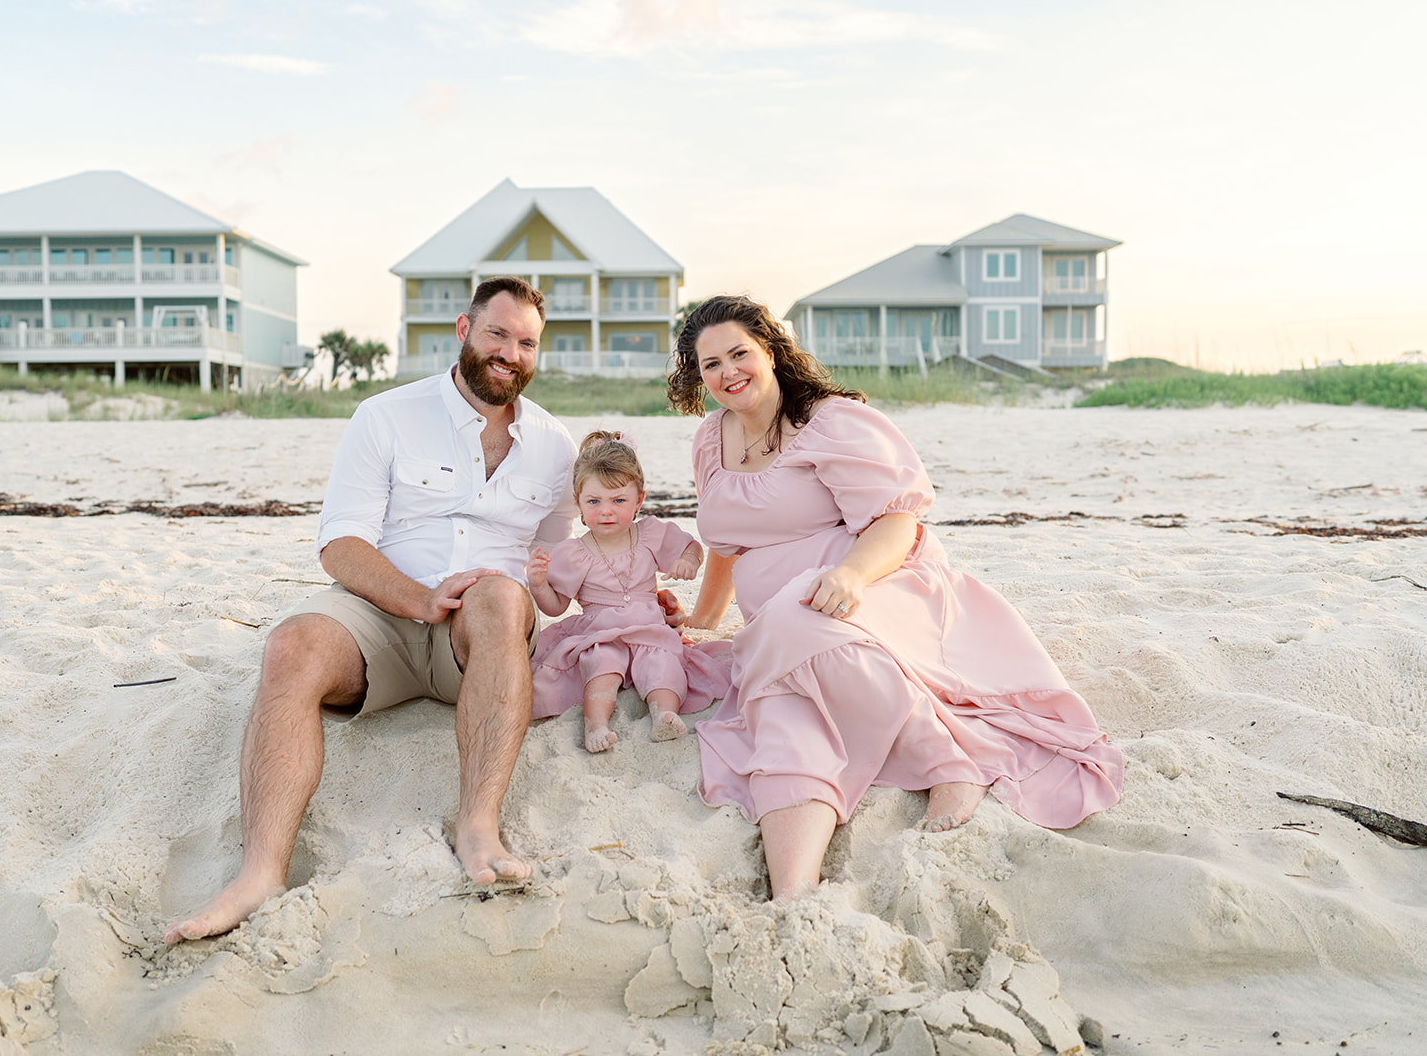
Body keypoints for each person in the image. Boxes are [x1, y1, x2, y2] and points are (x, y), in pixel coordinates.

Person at [164, 276, 577, 944]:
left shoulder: (557, 446)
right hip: (381, 615)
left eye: (527, 342)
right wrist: (418, 597)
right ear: (464, 330)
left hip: (481, 637)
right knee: (291, 644)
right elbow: (340, 544)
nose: (510, 352)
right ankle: (260, 869)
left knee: (502, 594)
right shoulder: (386, 415)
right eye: (498, 333)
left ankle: (478, 827)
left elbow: (557, 571)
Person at [669, 296, 1124, 902]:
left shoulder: (829, 422)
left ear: (772, 352)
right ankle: (794, 895)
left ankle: (948, 762)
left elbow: (897, 521)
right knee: (782, 717)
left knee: (792, 618)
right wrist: (704, 619)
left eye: (739, 354)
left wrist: (852, 575)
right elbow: (726, 546)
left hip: (876, 587)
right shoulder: (710, 441)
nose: (727, 373)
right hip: (784, 625)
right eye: (710, 365)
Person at [526, 431, 731, 752]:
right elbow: (556, 606)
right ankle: (596, 725)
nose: (606, 511)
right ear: (578, 501)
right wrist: (538, 585)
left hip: (650, 626)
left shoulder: (649, 534)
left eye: (618, 500)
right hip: (600, 629)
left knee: (662, 661)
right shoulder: (573, 552)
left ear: (639, 499)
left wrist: (688, 561)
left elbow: (692, 546)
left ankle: (664, 713)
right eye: (594, 501)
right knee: (601, 664)